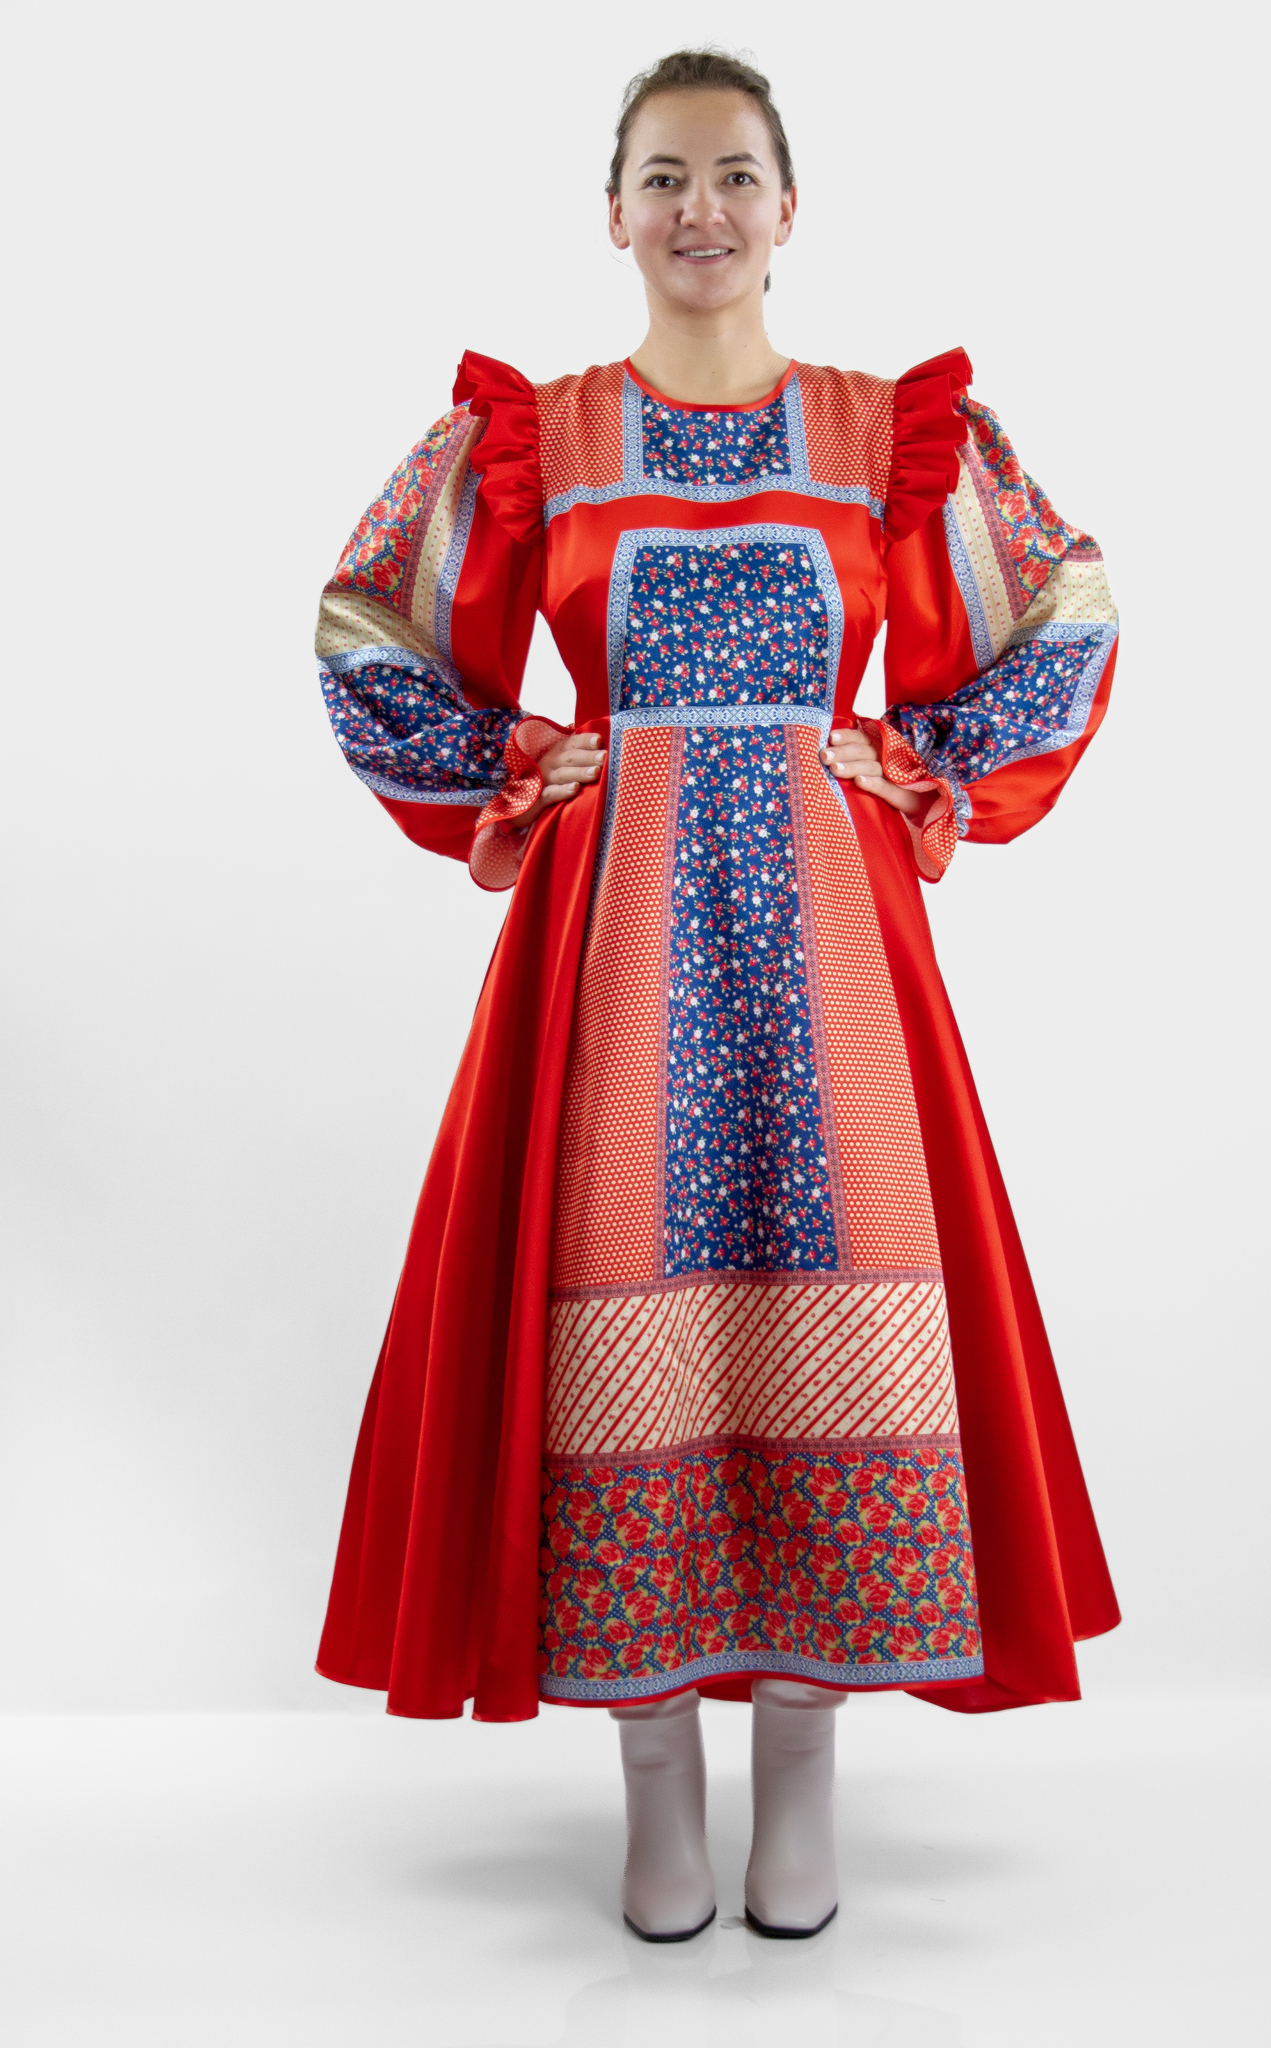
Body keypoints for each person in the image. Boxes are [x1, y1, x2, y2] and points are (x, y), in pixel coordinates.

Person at [313, 49, 1121, 1942]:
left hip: (832, 940)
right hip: (614, 939)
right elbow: (366, 626)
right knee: (626, 1302)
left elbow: (1064, 608)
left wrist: (915, 758)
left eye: (735, 174)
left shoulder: (887, 433)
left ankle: (807, 1780)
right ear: (612, 211)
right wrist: (522, 755)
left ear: (788, 207)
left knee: (841, 1291)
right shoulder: (537, 436)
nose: (702, 210)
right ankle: (657, 1782)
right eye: (665, 176)